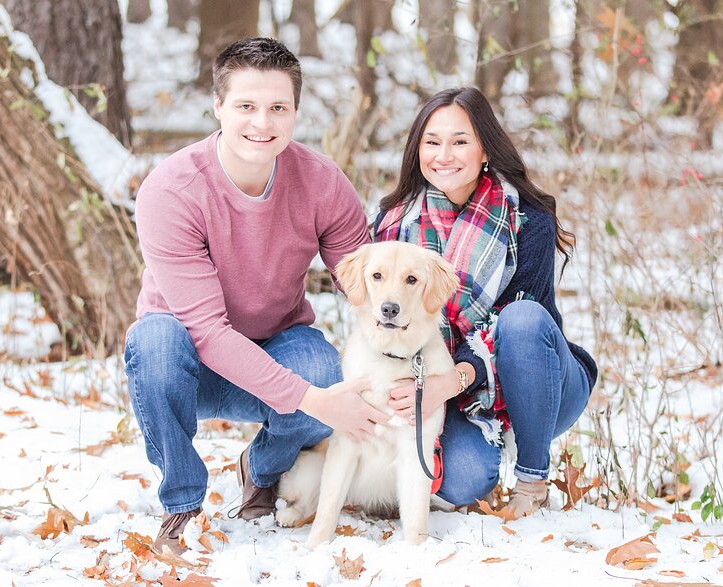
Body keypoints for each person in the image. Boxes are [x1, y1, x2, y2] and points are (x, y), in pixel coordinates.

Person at [125, 37, 389, 554]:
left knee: (322, 367)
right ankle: (181, 504)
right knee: (153, 340)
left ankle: (261, 470)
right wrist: (320, 406)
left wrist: (404, 365)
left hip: (275, 347)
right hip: (186, 363)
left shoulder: (321, 183)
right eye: (245, 106)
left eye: (277, 108)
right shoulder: (171, 190)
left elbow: (365, 288)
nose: (261, 123)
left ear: (295, 112)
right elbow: (205, 332)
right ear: (218, 106)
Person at [372, 87, 597, 518]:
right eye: (432, 142)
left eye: (460, 141)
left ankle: (532, 479)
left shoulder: (526, 217)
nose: (444, 155)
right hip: (451, 390)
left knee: (523, 320)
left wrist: (453, 378)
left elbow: (525, 325)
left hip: (539, 377)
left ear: (485, 150)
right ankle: (462, 457)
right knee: (463, 481)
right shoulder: (394, 224)